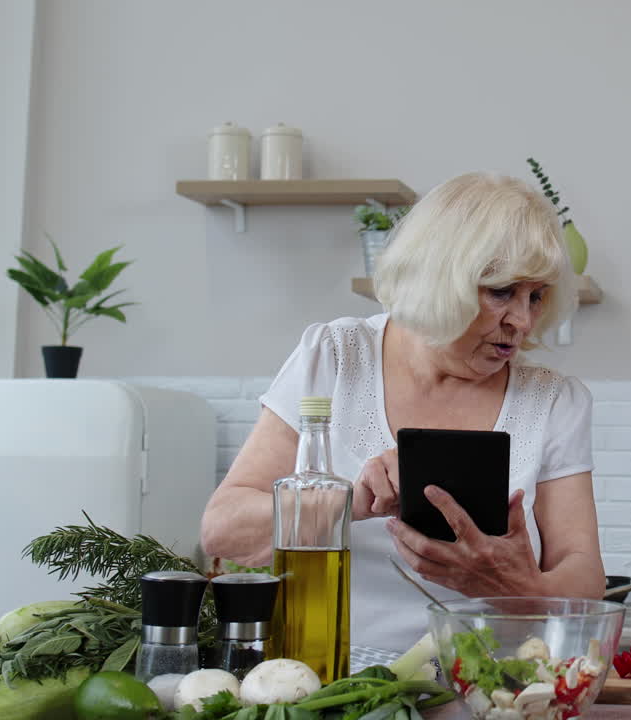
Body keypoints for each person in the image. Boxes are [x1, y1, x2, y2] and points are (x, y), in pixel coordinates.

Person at [201, 172, 606, 650]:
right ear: (441, 277)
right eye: (502, 291)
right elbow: (223, 530)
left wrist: (520, 588)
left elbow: (585, 577)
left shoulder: (553, 400)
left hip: (490, 687)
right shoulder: (335, 356)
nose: (521, 320)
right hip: (325, 678)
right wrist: (348, 501)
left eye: (535, 297)